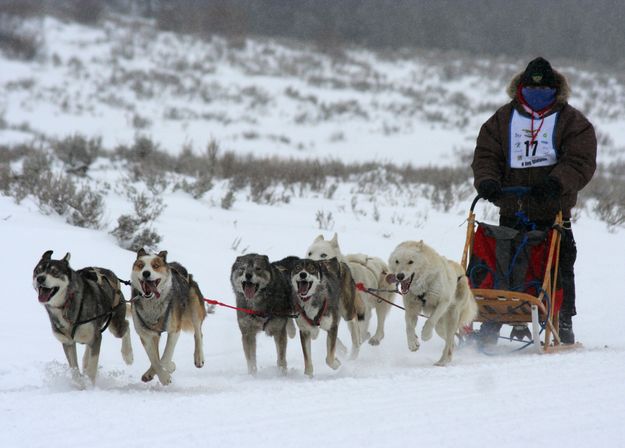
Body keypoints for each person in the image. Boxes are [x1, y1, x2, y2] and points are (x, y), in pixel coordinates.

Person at [471, 57, 597, 344]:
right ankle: (496, 319)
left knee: (560, 264)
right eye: (531, 89)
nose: (537, 95)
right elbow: (486, 155)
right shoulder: (502, 119)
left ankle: (562, 317)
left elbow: (580, 159)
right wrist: (487, 181)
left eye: (544, 90)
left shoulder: (571, 121)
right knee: (506, 264)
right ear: (520, 88)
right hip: (511, 205)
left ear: (555, 90)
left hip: (553, 208)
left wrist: (557, 182)